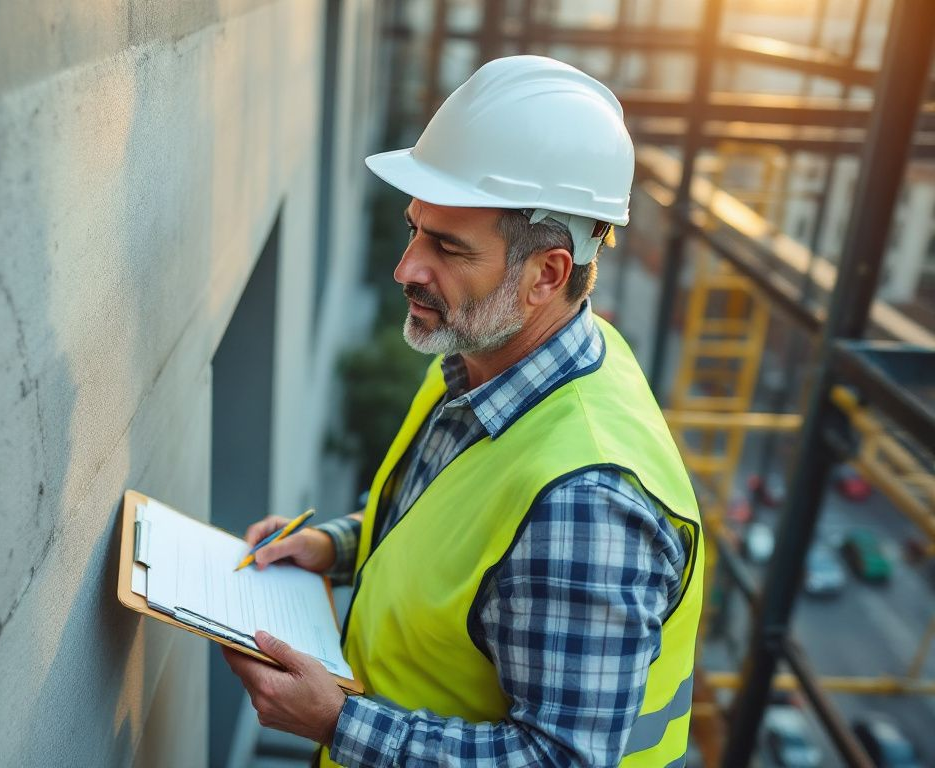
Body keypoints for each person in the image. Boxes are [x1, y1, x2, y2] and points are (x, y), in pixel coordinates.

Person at [222, 55, 704, 767]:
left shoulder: (587, 507)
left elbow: (559, 759)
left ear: (547, 274)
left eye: (447, 246)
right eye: (416, 228)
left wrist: (339, 723)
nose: (407, 267)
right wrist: (339, 546)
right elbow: (458, 530)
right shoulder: (489, 356)